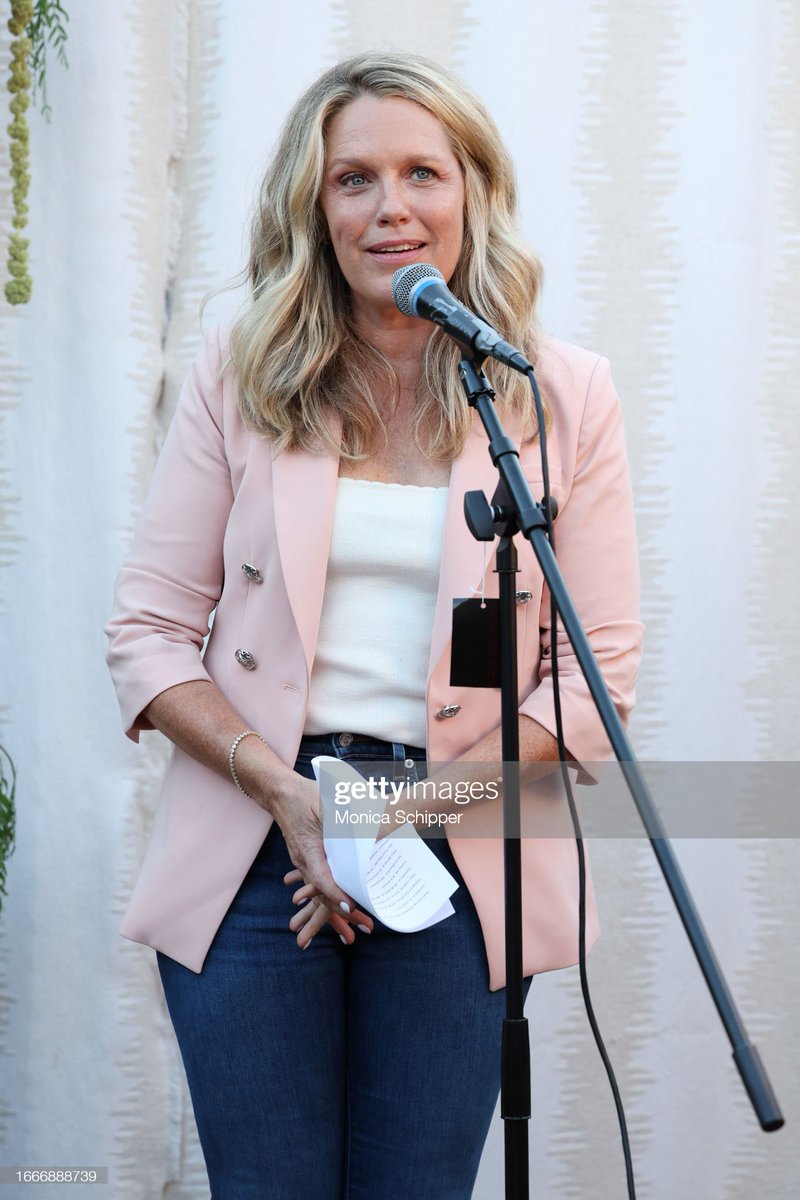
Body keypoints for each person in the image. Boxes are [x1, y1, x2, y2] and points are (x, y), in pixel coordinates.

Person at [105, 52, 643, 1200]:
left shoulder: (556, 395)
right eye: (354, 179)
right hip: (258, 837)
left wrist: (390, 814)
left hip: (456, 844)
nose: (390, 206)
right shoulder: (243, 374)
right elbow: (147, 633)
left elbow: (594, 681)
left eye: (420, 173)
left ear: (472, 193)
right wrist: (294, 799)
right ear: (316, 208)